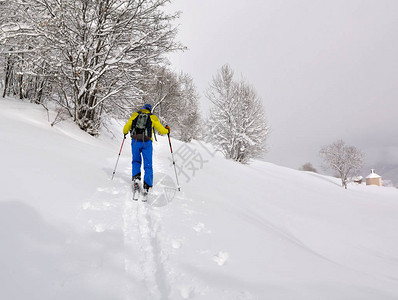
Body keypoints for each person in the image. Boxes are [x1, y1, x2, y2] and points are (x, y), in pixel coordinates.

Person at [123, 104, 170, 194]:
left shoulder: (135, 115)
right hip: (147, 142)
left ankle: (136, 179)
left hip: (135, 141)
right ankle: (147, 184)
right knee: (148, 163)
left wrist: (125, 132)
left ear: (143, 108)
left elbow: (125, 129)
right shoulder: (152, 117)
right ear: (150, 110)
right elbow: (161, 130)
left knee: (136, 161)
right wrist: (167, 130)